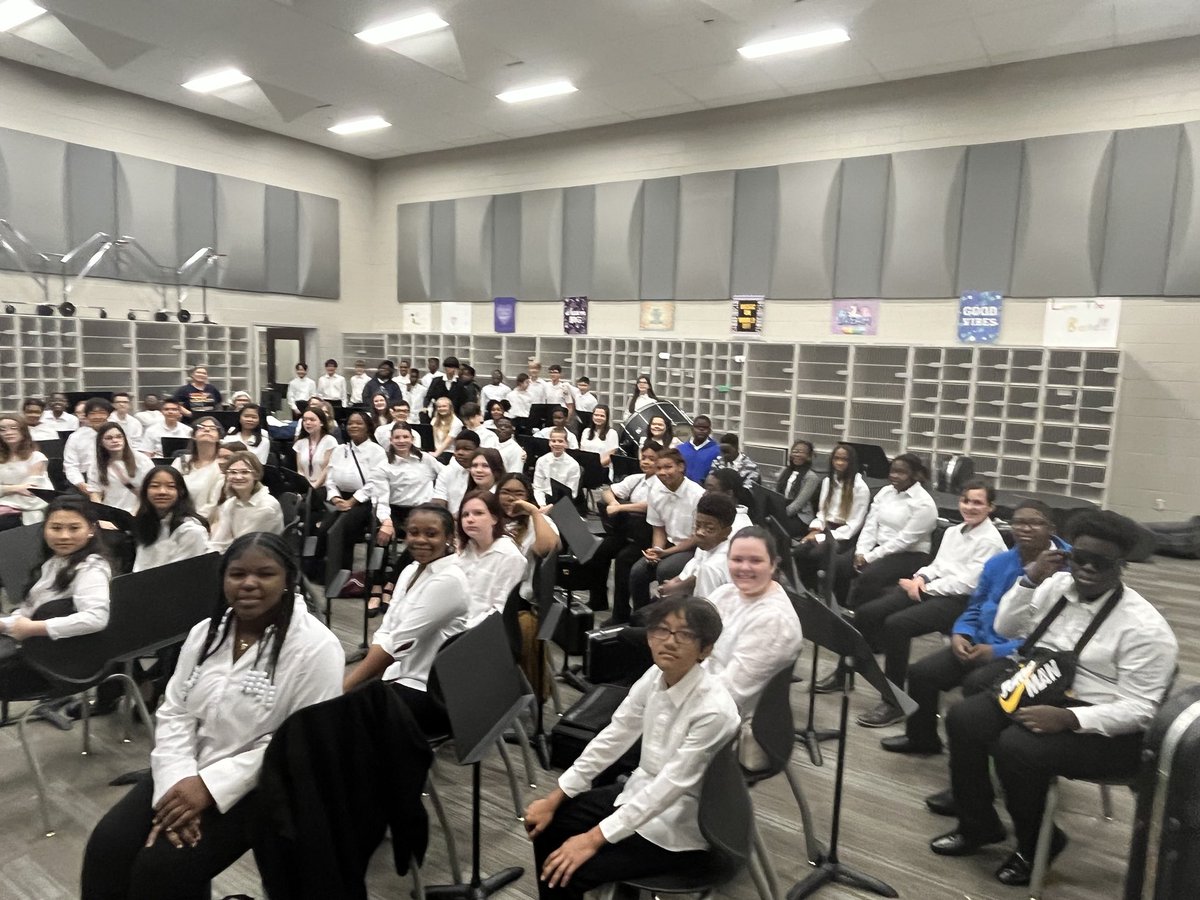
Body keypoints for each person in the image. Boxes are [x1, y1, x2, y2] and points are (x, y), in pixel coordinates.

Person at [81, 532, 344, 900]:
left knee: (161, 871)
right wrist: (179, 778)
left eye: (265, 574)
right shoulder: (207, 633)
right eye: (237, 574)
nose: (249, 584)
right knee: (107, 848)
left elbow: (298, 743)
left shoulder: (316, 648)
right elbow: (175, 710)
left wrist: (209, 788)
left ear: (288, 579)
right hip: (185, 768)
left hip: (262, 784)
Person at [930, 511, 1178, 888]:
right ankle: (978, 824)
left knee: (1015, 747)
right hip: (1041, 683)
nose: (1088, 568)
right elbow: (1004, 628)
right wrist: (1030, 579)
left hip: (1102, 718)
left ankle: (1036, 845)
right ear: (1067, 555)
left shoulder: (1144, 628)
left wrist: (1070, 720)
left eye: (1102, 562)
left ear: (1122, 566)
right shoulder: (1054, 586)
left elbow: (1142, 710)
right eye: (1081, 558)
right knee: (964, 718)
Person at [524, 596, 738, 900]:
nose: (669, 641)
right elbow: (615, 734)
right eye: (661, 630)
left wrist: (593, 839)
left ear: (706, 648)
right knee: (547, 825)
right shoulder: (655, 676)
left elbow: (670, 787)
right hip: (640, 792)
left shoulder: (713, 711)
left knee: (574, 870)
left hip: (680, 824)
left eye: (685, 634)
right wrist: (557, 794)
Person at [882, 500, 1067, 758]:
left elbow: (1058, 635)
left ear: (1052, 528)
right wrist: (961, 632)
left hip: (1030, 656)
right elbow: (976, 605)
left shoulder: (1068, 569)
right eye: (1019, 522)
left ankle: (978, 762)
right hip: (983, 640)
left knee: (975, 686)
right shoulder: (999, 563)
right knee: (921, 673)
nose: (1025, 528)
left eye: (1035, 522)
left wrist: (997, 651)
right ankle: (922, 739)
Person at [853, 480, 1007, 727]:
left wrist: (924, 590)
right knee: (868, 612)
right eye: (966, 500)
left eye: (978, 502)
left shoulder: (990, 541)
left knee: (897, 625)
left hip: (961, 601)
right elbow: (938, 565)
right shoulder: (953, 532)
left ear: (991, 507)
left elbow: (968, 584)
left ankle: (894, 702)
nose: (969, 506)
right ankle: (850, 670)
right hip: (930, 589)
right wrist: (921, 577)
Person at [342, 504, 469, 736]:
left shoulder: (449, 580)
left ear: (449, 537)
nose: (420, 540)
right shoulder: (410, 570)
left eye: (431, 534)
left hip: (428, 690)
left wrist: (344, 688)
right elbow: (387, 629)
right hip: (401, 675)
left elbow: (397, 643)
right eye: (413, 532)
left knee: (342, 719)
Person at [705, 526, 804, 768]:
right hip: (706, 698)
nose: (744, 568)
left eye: (756, 561)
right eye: (737, 559)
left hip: (732, 724)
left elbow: (731, 694)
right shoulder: (725, 593)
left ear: (773, 564)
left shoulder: (773, 620)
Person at [0, 496, 111, 701]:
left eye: (74, 528)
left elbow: (96, 618)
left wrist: (34, 628)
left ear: (91, 529)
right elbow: (26, 615)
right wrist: (4, 624)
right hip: (36, 649)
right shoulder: (54, 562)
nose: (64, 536)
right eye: (56, 528)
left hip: (53, 664)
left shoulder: (91, 568)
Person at [830, 452, 937, 610]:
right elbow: (871, 524)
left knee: (869, 576)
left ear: (915, 475)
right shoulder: (886, 492)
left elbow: (904, 541)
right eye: (892, 471)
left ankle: (859, 616)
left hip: (908, 554)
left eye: (901, 472)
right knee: (839, 565)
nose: (894, 476)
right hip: (878, 547)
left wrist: (870, 557)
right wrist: (861, 551)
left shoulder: (924, 504)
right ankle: (840, 610)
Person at [618, 448, 705, 624]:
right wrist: (656, 550)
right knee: (637, 572)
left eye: (668, 467)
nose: (662, 473)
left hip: (690, 549)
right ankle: (641, 619)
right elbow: (659, 528)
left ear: (681, 467)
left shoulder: (697, 495)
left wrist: (666, 553)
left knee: (665, 569)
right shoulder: (657, 492)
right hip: (668, 545)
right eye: (659, 468)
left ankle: (663, 619)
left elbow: (697, 536)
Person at [369, 422, 445, 616]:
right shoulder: (383, 465)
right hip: (395, 510)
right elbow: (381, 498)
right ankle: (375, 587)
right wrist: (386, 521)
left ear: (412, 439)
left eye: (405, 437)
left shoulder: (426, 459)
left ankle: (391, 583)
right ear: (391, 440)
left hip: (421, 511)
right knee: (380, 540)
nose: (401, 441)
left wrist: (437, 497)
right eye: (397, 437)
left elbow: (446, 476)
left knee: (419, 542)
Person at [314, 409, 387, 594]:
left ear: (368, 428)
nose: (353, 426)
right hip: (340, 498)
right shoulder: (340, 449)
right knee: (324, 530)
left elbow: (374, 482)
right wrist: (335, 497)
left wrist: (352, 501)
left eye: (359, 423)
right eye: (350, 423)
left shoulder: (376, 451)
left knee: (343, 529)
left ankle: (345, 576)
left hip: (364, 501)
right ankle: (324, 572)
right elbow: (330, 477)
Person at [588, 442, 661, 613]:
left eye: (652, 459)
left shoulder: (661, 483)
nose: (646, 462)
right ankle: (598, 600)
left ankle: (621, 613)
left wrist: (621, 507)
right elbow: (607, 491)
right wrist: (614, 501)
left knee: (624, 560)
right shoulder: (636, 479)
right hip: (627, 531)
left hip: (647, 535)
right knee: (598, 550)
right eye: (644, 458)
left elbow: (651, 505)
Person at [794, 443, 871, 590]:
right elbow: (822, 513)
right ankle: (808, 589)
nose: (839, 463)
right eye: (836, 459)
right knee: (799, 552)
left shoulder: (860, 488)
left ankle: (823, 593)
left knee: (817, 554)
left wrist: (819, 537)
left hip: (844, 536)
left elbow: (853, 526)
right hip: (825, 529)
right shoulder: (828, 481)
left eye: (844, 460)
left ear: (852, 462)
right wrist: (816, 529)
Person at [457, 490, 526, 625]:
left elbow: (500, 609)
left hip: (479, 630)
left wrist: (459, 630)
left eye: (478, 513)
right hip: (455, 621)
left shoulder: (510, 556)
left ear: (494, 519)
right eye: (465, 515)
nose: (470, 519)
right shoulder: (467, 548)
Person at [656, 493, 737, 602]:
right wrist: (674, 583)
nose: (700, 532)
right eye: (697, 525)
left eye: (709, 529)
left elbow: (704, 607)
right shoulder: (706, 545)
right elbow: (693, 567)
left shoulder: (712, 568)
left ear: (726, 532)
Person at [496, 473, 562, 603]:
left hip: (517, 597)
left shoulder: (538, 521)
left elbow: (548, 549)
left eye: (519, 493)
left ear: (527, 496)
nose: (511, 498)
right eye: (505, 492)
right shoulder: (489, 518)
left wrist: (534, 512)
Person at [131, 466, 210, 572]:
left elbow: (182, 573)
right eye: (155, 486)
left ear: (181, 492)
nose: (162, 491)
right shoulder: (146, 524)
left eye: (170, 486)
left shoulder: (192, 531)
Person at [208, 452, 284, 553]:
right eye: (233, 472)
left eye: (245, 472)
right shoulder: (230, 503)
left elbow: (244, 544)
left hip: (258, 558)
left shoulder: (267, 507)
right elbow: (219, 540)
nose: (238, 477)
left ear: (256, 475)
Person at [88, 423, 155, 514]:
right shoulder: (96, 465)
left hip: (139, 512)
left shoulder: (142, 460)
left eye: (119, 437)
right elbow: (95, 494)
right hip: (110, 513)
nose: (115, 440)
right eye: (109, 438)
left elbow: (147, 492)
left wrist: (134, 514)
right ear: (101, 442)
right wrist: (102, 517)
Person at [0, 415, 50, 528]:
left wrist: (4, 490)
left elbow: (30, 491)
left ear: (23, 431)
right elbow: (22, 489)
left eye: (13, 428)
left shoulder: (36, 457)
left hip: (28, 508)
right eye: (2, 429)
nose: (8, 432)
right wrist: (16, 488)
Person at [172, 416, 226, 521]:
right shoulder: (181, 461)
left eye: (213, 428)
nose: (207, 430)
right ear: (193, 436)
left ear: (219, 437)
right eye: (201, 427)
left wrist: (194, 520)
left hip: (209, 520)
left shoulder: (222, 465)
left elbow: (214, 504)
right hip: (178, 518)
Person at [65, 398, 115, 494]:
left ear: (108, 415)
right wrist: (81, 484)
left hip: (113, 478)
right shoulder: (76, 437)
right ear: (86, 416)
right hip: (84, 480)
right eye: (93, 413)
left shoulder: (117, 434)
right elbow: (70, 465)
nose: (97, 417)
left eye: (102, 413)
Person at [774, 440, 820, 536]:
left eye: (802, 452)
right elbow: (776, 494)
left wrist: (778, 514)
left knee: (774, 527)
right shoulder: (785, 471)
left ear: (809, 456)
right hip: (782, 511)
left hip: (800, 517)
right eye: (795, 451)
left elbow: (797, 505)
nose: (797, 454)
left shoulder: (811, 477)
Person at [431, 432, 480, 515]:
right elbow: (438, 502)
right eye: (457, 449)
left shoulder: (485, 473)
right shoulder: (447, 472)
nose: (460, 453)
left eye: (467, 449)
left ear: (478, 450)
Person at [533, 427, 582, 509]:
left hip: (563, 503)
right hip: (541, 501)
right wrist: (542, 505)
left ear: (566, 444)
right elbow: (537, 487)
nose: (556, 444)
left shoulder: (573, 465)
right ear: (549, 443)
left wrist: (550, 507)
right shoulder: (541, 461)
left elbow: (572, 494)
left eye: (560, 441)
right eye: (553, 441)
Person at [293, 406, 337, 490]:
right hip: (306, 487)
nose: (307, 423)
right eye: (305, 420)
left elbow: (327, 469)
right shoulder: (300, 443)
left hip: (324, 487)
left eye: (312, 420)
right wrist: (305, 487)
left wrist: (314, 487)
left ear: (321, 422)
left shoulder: (330, 441)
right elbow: (300, 471)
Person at [677, 415, 718, 484]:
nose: (701, 430)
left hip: (705, 491)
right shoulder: (680, 449)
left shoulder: (717, 450)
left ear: (710, 431)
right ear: (692, 429)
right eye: (698, 427)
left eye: (705, 427)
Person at [579, 404, 619, 469]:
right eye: (596, 415)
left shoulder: (612, 433)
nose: (598, 418)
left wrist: (595, 466)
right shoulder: (586, 431)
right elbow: (582, 452)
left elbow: (611, 456)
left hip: (603, 469)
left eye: (602, 416)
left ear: (607, 418)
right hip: (585, 468)